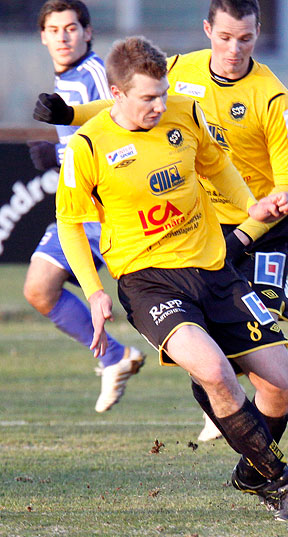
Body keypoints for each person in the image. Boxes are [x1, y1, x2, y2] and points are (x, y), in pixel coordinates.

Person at [33, 0, 288, 497]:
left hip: (240, 241)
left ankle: (255, 453)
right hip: (152, 276)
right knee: (217, 370)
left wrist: (254, 213)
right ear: (207, 31)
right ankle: (276, 473)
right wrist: (93, 291)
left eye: (245, 38)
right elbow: (73, 212)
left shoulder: (261, 99)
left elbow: (240, 172)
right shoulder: (110, 130)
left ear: (259, 33)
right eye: (224, 37)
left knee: (277, 379)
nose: (233, 49)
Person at [24, 0, 145, 414]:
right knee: (39, 288)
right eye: (54, 29)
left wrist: (57, 155)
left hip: (118, 215)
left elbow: (119, 133)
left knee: (161, 308)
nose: (63, 36)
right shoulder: (66, 77)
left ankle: (219, 391)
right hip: (81, 214)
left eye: (71, 28)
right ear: (43, 36)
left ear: (88, 33)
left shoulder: (96, 74)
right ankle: (114, 358)